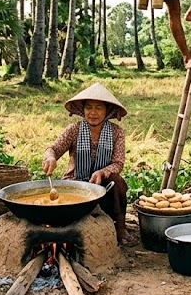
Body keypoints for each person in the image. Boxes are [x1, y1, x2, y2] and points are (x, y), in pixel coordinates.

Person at [42, 83, 135, 246]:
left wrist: (102, 172)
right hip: (76, 183)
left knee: (118, 182)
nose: (93, 113)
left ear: (107, 111)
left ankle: (120, 228)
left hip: (102, 186)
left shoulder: (116, 132)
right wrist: (50, 157)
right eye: (89, 107)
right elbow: (54, 149)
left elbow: (118, 163)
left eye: (99, 108)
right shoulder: (74, 129)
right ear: (82, 110)